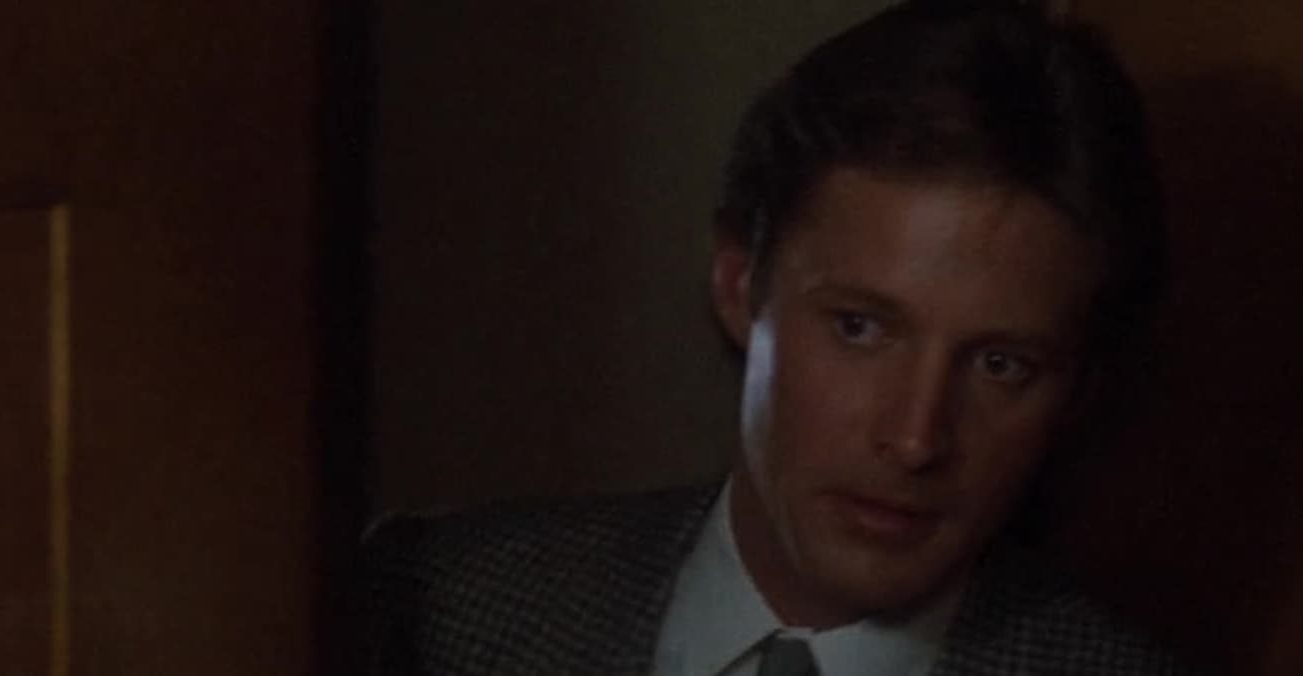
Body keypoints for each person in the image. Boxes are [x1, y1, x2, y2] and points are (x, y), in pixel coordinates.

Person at [365, 1, 1186, 674]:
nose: (914, 439)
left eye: (1002, 365)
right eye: (859, 327)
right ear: (739, 285)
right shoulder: (435, 607)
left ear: (1077, 391)